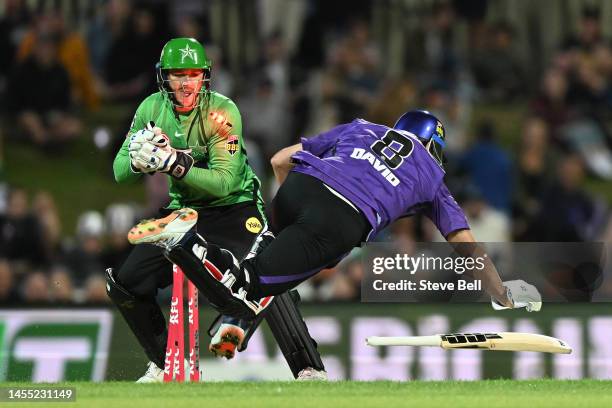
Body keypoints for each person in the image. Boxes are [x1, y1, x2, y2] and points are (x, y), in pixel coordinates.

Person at [126, 110, 542, 321]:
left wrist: (292, 209)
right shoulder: (431, 172)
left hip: (299, 187)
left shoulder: (362, 126)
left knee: (268, 269)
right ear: (433, 147)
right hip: (341, 216)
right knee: (246, 291)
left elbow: (280, 158)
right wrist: (501, 293)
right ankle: (185, 242)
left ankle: (233, 320)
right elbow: (465, 246)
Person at [108, 38, 326, 382]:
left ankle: (308, 369)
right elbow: (119, 172)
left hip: (236, 210)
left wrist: (172, 163)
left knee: (263, 276)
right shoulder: (151, 108)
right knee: (125, 283)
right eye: (175, 75)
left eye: (192, 74)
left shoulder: (223, 112)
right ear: (162, 78)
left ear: (205, 76)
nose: (185, 83)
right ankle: (165, 363)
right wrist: (137, 160)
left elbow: (224, 182)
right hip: (184, 213)